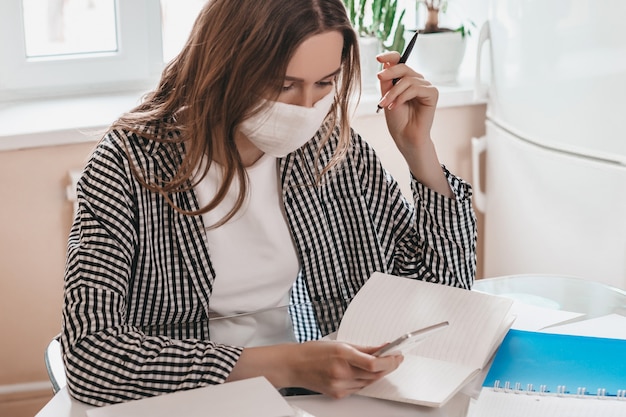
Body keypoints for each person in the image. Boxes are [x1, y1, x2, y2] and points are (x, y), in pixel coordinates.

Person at [61, 0, 477, 407]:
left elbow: (443, 296)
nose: (305, 109)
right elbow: (90, 356)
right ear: (225, 66)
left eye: (324, 83)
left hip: (313, 394)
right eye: (283, 86)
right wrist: (289, 365)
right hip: (183, 398)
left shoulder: (329, 148)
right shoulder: (126, 164)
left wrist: (418, 152)